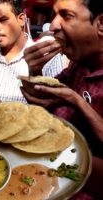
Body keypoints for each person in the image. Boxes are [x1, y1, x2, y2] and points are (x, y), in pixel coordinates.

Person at [22, 0, 103, 198]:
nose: (54, 25)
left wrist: (77, 102)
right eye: (54, 15)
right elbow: (41, 103)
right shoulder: (78, 65)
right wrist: (35, 73)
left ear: (101, 24)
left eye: (66, 15)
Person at [0, 0, 64, 105]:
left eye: (3, 20)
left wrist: (5, 111)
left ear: (21, 19)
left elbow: (56, 110)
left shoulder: (46, 57)